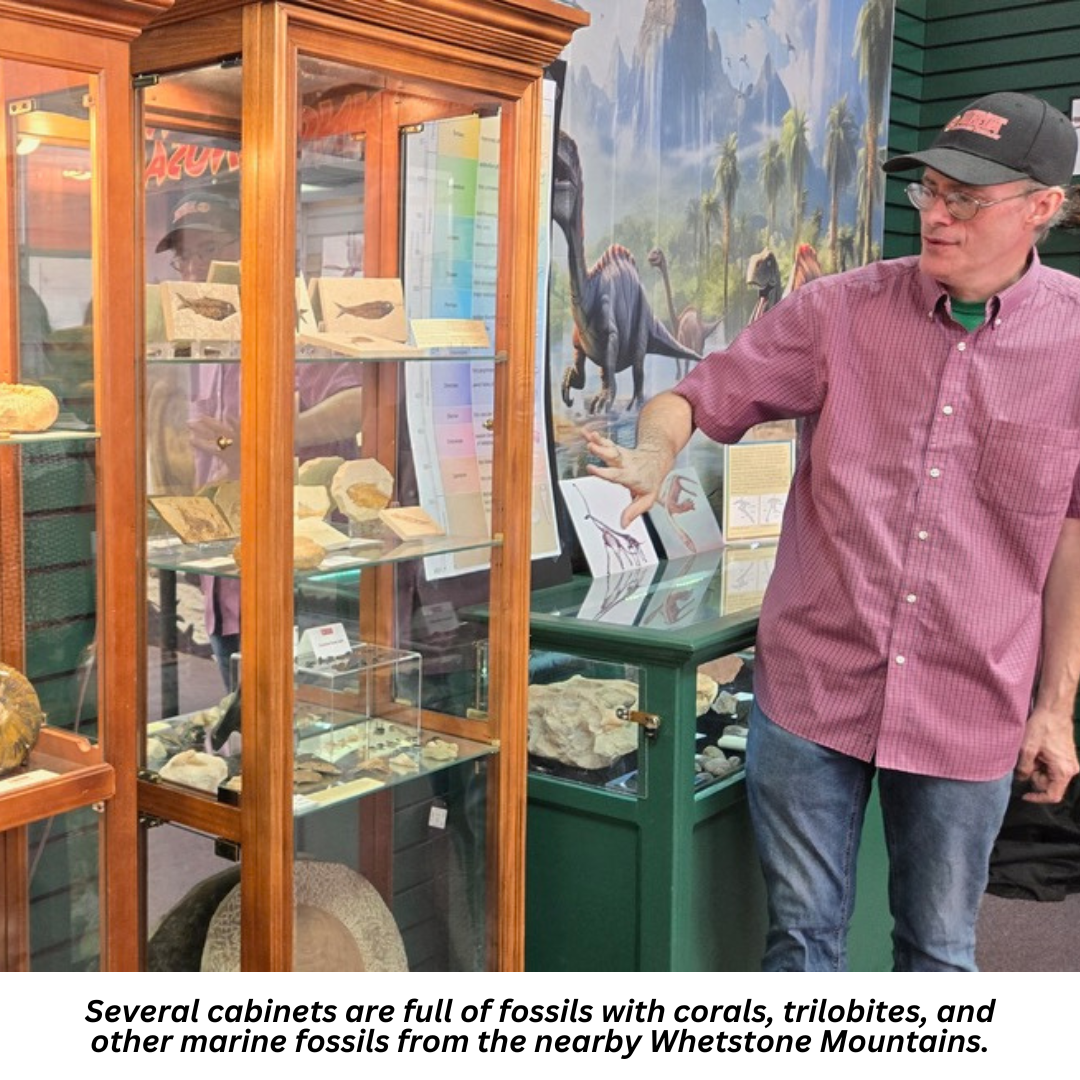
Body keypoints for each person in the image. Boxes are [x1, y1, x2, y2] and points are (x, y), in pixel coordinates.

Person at [585, 91, 1080, 971]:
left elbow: (1072, 536)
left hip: (970, 703)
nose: (935, 214)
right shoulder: (839, 312)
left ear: (1044, 206)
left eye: (966, 199)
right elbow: (691, 395)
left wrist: (1055, 707)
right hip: (814, 696)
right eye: (929, 189)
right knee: (802, 944)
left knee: (939, 954)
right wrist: (655, 452)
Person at [156, 191, 363, 686]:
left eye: (208, 250)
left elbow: (358, 402)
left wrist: (259, 440)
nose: (194, 268)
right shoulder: (204, 343)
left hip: (300, 570)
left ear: (250, 248)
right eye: (185, 256)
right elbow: (215, 447)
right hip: (226, 570)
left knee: (310, 723)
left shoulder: (298, 329)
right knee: (243, 716)